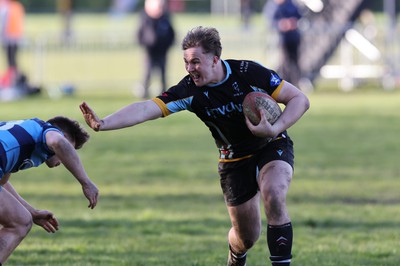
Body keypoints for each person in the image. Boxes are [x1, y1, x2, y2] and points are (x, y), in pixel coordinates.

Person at [80, 26, 309, 266]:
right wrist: (103, 123)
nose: (190, 69)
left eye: (196, 62)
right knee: (246, 237)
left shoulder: (248, 73)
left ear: (215, 59)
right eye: (186, 62)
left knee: (274, 194)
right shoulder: (189, 90)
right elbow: (147, 108)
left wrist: (274, 128)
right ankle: (235, 252)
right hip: (233, 159)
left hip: (271, 144)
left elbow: (299, 99)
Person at [0, 116, 99, 265]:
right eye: (70, 149)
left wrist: (32, 212)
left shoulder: (19, 136)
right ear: (63, 136)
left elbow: (2, 184)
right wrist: (86, 182)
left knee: (21, 220)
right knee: (19, 223)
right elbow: (57, 141)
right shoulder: (48, 131)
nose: (64, 159)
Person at [137, 0, 175, 99]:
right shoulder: (145, 18)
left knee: (163, 73)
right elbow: (139, 33)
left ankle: (164, 93)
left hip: (162, 51)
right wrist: (144, 44)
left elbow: (172, 33)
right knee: (147, 73)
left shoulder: (166, 18)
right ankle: (144, 93)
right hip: (149, 51)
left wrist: (168, 44)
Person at [272, 0, 302, 88]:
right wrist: (282, 24)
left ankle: (296, 84)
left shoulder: (291, 4)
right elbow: (271, 21)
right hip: (282, 39)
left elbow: (299, 16)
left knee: (294, 62)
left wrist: (293, 22)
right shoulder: (273, 6)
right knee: (284, 62)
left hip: (294, 38)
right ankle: (284, 84)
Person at [0, 0, 24, 88]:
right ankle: (12, 79)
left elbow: (3, 22)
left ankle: (12, 80)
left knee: (11, 60)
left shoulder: (6, 6)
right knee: (12, 61)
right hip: (15, 37)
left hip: (9, 37)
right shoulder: (17, 6)